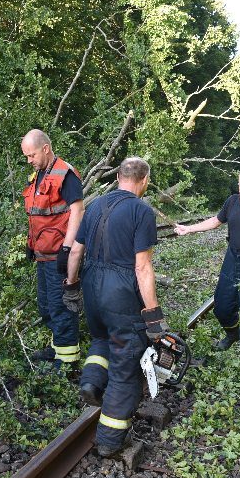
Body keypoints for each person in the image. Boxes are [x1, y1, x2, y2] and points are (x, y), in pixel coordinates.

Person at [63, 157, 167, 457]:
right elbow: (143, 268)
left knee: (101, 338)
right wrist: (153, 316)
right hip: (120, 292)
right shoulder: (141, 211)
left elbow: (77, 250)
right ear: (144, 179)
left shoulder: (94, 206)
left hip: (92, 286)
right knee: (125, 363)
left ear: (119, 176)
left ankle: (92, 383)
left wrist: (71, 285)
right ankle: (109, 439)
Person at [175, 164, 240, 360]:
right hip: (232, 258)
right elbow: (215, 222)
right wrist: (189, 229)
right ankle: (232, 334)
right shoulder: (231, 202)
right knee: (222, 306)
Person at [21, 129, 84, 369]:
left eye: (32, 155)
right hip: (42, 254)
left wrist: (68, 250)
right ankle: (57, 347)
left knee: (61, 307)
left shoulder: (65, 174)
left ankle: (67, 363)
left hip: (59, 254)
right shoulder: (38, 175)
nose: (29, 160)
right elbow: (38, 215)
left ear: (45, 148)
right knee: (46, 305)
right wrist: (31, 244)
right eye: (27, 156)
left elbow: (77, 212)